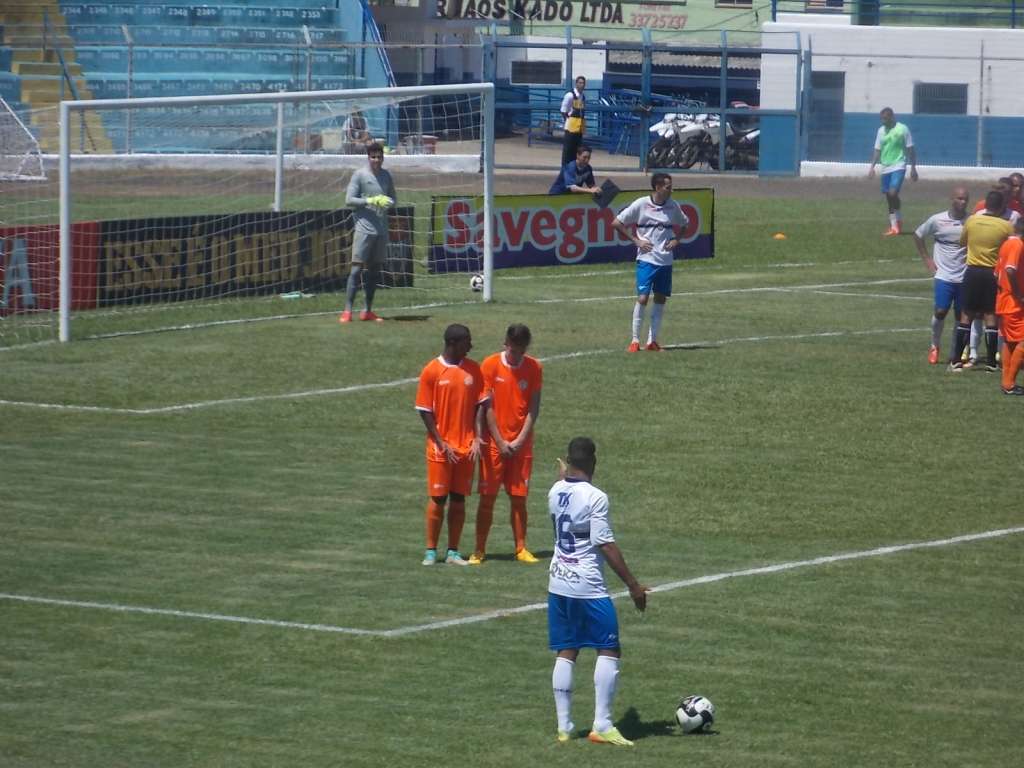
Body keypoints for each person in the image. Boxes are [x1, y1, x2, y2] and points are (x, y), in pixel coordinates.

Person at [548, 437, 649, 747]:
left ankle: (564, 728)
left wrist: (566, 475)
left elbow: (566, 489)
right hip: (587, 585)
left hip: (557, 581)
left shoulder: (554, 491)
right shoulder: (596, 497)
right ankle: (602, 725)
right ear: (593, 462)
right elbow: (604, 543)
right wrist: (633, 585)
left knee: (568, 649)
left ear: (568, 460)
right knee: (609, 648)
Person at [415, 323, 488, 565]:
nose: (471, 346)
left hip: (466, 448)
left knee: (459, 499)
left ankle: (453, 552)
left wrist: (477, 437)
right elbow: (425, 411)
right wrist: (440, 441)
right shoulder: (432, 371)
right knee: (438, 499)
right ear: (453, 343)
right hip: (441, 449)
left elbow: (480, 406)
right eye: (467, 341)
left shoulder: (474, 370)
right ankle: (430, 551)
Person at [471, 324, 543, 565]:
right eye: (513, 350)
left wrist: (521, 439)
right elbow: (486, 407)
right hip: (494, 445)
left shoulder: (534, 367)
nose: (516, 355)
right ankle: (479, 550)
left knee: (519, 498)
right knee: (487, 498)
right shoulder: (490, 365)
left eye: (521, 351)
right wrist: (500, 441)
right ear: (506, 344)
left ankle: (521, 548)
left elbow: (533, 407)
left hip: (522, 445)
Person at [612, 172, 689, 352]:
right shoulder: (641, 204)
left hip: (665, 260)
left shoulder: (673, 206)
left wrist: (676, 240)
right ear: (657, 187)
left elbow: (685, 223)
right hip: (646, 259)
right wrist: (637, 241)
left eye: (671, 187)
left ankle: (652, 341)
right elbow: (616, 223)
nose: (671, 190)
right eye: (668, 187)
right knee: (643, 297)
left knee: (660, 298)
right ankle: (634, 340)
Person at [948, 190, 1015, 372]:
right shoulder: (1006, 226)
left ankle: (956, 360)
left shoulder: (971, 221)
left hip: (972, 271)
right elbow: (1010, 248)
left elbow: (963, 242)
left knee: (966, 315)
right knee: (990, 316)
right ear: (1001, 206)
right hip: (992, 274)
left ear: (985, 204)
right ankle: (991, 362)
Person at [339, 143, 396, 324]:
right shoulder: (360, 175)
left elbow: (393, 199)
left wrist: (388, 202)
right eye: (373, 157)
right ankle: (347, 311)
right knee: (356, 270)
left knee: (374, 271)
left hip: (381, 230)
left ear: (383, 158)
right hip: (364, 229)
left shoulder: (387, 176)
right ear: (368, 157)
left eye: (379, 157)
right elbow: (349, 200)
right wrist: (370, 200)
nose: (376, 160)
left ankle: (367, 310)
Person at [912, 186, 969, 364]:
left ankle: (955, 352)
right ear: (951, 199)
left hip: (965, 276)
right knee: (941, 310)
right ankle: (934, 345)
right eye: (959, 198)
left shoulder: (972, 221)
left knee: (961, 316)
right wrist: (927, 259)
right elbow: (918, 235)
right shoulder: (937, 220)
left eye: (965, 199)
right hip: (943, 275)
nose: (963, 202)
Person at [868, 107, 918, 236]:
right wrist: (872, 167)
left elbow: (911, 149)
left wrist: (913, 168)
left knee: (892, 193)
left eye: (885, 119)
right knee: (889, 197)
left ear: (892, 117)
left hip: (899, 165)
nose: (883, 121)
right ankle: (895, 226)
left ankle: (897, 222)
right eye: (881, 119)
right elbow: (877, 150)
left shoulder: (902, 129)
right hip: (885, 167)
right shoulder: (881, 131)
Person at [994, 216, 1024, 395]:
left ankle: (1007, 383)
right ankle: (1009, 384)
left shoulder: (1006, 244)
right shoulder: (1017, 245)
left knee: (1011, 342)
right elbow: (1010, 269)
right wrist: (1018, 293)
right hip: (1013, 303)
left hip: (1005, 301)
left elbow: (996, 274)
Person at [560, 76, 587, 168]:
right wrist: (568, 121)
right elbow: (563, 110)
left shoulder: (583, 97)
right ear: (576, 84)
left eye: (583, 83)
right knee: (568, 151)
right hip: (571, 128)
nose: (582, 85)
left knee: (577, 151)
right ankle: (565, 170)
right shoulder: (570, 95)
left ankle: (574, 170)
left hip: (579, 129)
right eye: (580, 83)